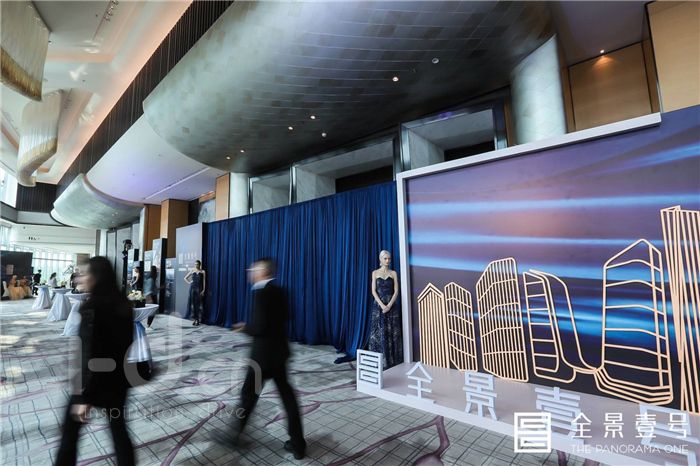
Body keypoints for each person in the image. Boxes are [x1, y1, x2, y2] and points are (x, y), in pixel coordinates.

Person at [219, 259, 306, 459]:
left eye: (253, 269)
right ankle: (298, 444)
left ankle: (234, 436)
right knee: (288, 398)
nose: (250, 272)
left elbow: (259, 327)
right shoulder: (281, 291)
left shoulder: (260, 293)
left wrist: (244, 327)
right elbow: (285, 318)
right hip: (280, 354)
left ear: (263, 271)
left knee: (248, 396)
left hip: (262, 358)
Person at [56, 256, 135, 466]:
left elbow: (88, 354)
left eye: (84, 274)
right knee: (120, 434)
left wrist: (82, 396)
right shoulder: (124, 305)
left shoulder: (91, 308)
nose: (79, 279)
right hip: (118, 382)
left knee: (69, 436)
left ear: (96, 277)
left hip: (91, 384)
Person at [368, 250, 402, 368]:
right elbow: (373, 291)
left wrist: (389, 305)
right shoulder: (375, 273)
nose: (388, 261)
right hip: (379, 307)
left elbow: (396, 291)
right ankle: (380, 361)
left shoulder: (393, 273)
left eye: (389, 259)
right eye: (385, 259)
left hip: (391, 307)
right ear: (380, 259)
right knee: (379, 332)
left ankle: (393, 360)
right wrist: (382, 306)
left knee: (392, 332)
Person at [184, 260, 205, 326]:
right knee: (193, 304)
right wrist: (189, 282)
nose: (196, 265)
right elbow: (185, 278)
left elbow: (204, 281)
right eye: (195, 264)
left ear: (200, 264)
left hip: (199, 289)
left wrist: (203, 290)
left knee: (198, 305)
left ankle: (197, 319)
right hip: (192, 289)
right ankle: (195, 320)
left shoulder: (203, 271)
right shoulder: (192, 270)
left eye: (197, 264)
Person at [144, 265, 158, 330]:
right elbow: (149, 290)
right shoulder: (151, 279)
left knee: (152, 311)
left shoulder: (150, 278)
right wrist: (150, 299)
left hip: (152, 296)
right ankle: (148, 325)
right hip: (152, 297)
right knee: (152, 312)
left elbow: (152, 288)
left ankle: (148, 325)